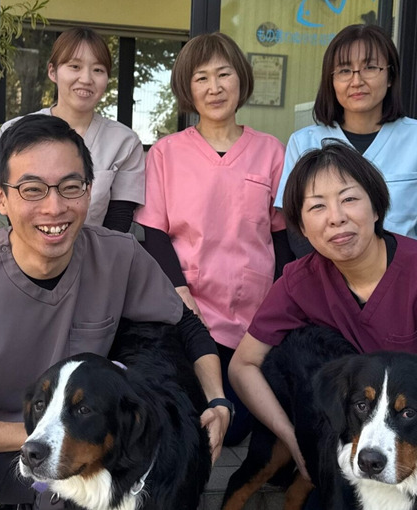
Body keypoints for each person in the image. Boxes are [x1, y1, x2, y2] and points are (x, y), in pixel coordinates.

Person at [0, 115, 232, 510]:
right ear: (0, 197)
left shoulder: (119, 257)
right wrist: (44, 437)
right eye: (32, 189)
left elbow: (187, 325)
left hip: (74, 459)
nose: (54, 207)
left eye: (71, 187)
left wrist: (217, 401)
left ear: (89, 191)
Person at [231, 142, 417, 508]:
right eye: (317, 206)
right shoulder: (300, 282)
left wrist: (399, 438)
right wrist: (291, 435)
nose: (336, 217)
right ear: (300, 227)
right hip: (366, 439)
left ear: (377, 208)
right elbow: (243, 365)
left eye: (349, 199)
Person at [133, 32, 291, 446]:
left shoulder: (271, 152)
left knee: (235, 429)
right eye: (201, 78)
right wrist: (179, 290)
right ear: (188, 88)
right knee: (190, 418)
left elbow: (281, 234)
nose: (214, 87)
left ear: (241, 80)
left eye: (224, 74)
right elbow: (153, 231)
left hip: (253, 315)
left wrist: (282, 302)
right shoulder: (166, 153)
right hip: (189, 311)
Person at [277, 24, 417, 260]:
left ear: (390, 76)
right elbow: (294, 224)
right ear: (331, 81)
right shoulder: (304, 142)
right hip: (327, 275)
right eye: (345, 70)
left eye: (370, 67)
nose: (357, 81)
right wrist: (324, 276)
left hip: (404, 273)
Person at [0, 27, 145, 233]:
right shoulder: (15, 131)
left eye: (98, 70)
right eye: (75, 66)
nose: (86, 79)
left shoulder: (124, 142)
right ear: (52, 72)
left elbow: (119, 219)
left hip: (97, 250)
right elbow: (11, 206)